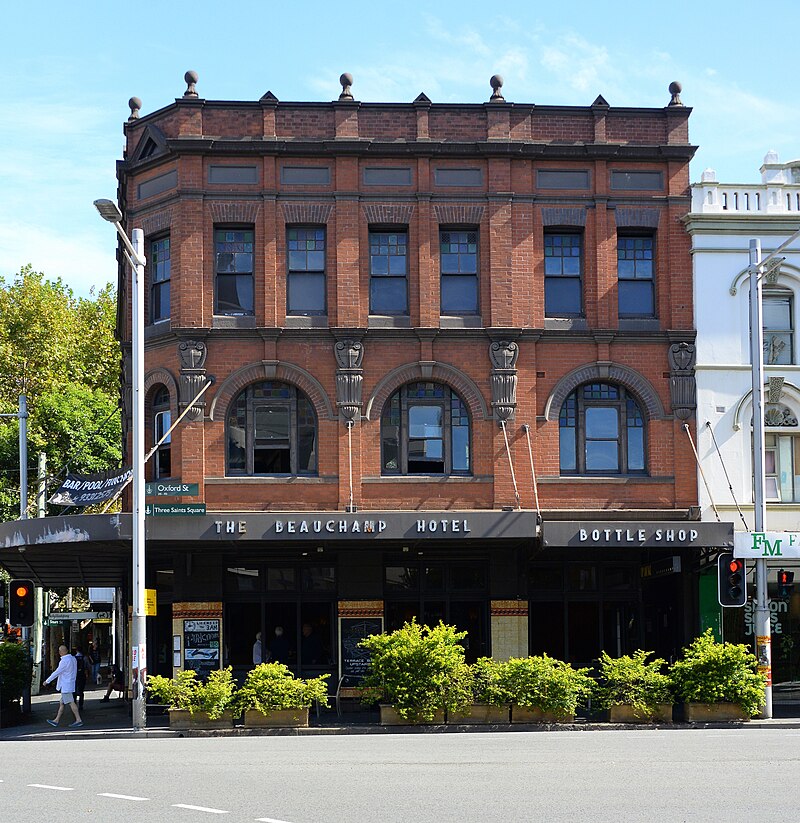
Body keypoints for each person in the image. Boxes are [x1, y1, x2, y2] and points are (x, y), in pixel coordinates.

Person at [43, 645, 83, 728]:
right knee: (62, 703)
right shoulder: (73, 659)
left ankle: (78, 720)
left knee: (71, 702)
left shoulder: (64, 661)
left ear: (61, 652)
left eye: (59, 651)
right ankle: (56, 720)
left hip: (66, 685)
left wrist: (47, 681)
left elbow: (57, 672)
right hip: (70, 683)